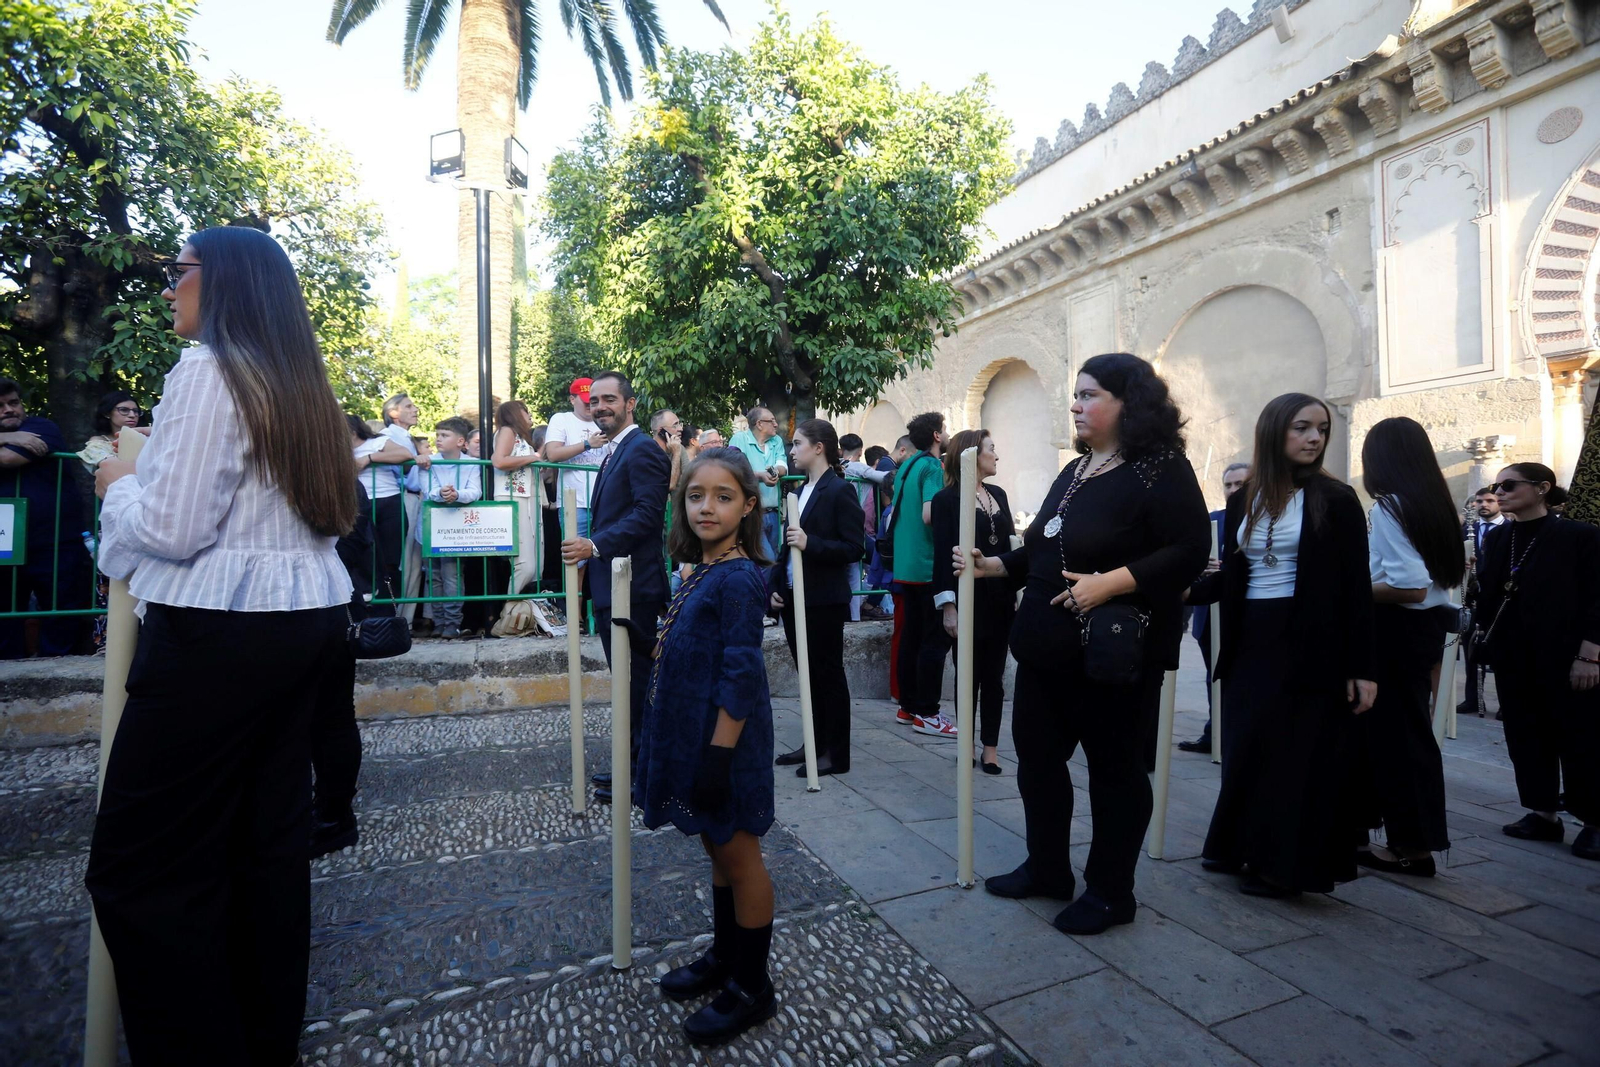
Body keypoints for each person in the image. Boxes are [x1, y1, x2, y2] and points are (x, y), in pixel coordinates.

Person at [83, 226, 354, 1063]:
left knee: (142, 870)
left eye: (180, 271)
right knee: (262, 857)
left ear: (224, 280)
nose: (169, 288)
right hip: (301, 626)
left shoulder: (209, 368)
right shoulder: (298, 380)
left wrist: (118, 488)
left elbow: (170, 524)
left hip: (217, 633)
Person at [956, 354, 1207, 934]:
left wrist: (1110, 584)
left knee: (1115, 772)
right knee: (1038, 765)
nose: (1076, 404)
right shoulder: (1076, 472)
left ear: (1130, 403)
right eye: (1076, 394)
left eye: (1090, 394)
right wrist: (993, 565)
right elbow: (1045, 549)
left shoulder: (1159, 467)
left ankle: (1111, 892)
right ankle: (1048, 869)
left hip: (1111, 658)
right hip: (1046, 654)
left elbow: (1190, 548)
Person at [1200, 392, 1376, 898]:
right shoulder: (1242, 499)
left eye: (1321, 429)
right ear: (1275, 431)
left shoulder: (1337, 500)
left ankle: (1284, 867)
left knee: (1294, 757)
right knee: (1245, 747)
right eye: (1302, 427)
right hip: (1249, 639)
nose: (1315, 437)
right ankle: (1240, 846)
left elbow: (1355, 590)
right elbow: (1235, 575)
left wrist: (1363, 668)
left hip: (1310, 644)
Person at [636, 448, 776, 1042]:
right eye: (697, 496)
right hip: (699, 737)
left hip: (727, 742)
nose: (707, 507)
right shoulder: (706, 570)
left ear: (747, 507)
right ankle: (725, 956)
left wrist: (719, 756)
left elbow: (741, 673)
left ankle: (753, 987)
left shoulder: (740, 576)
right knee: (717, 849)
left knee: (741, 857)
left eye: (723, 497)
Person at [1350, 417, 1464, 876]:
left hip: (1397, 629)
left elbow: (1410, 586)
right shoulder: (1433, 503)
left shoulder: (1389, 507)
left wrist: (1347, 587)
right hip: (1420, 632)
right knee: (1405, 735)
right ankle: (1404, 838)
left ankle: (1411, 846)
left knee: (1397, 738)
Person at [1475, 462, 1599, 861]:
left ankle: (1594, 819)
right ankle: (1542, 813)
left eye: (1509, 485)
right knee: (1525, 735)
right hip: (1515, 656)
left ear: (1542, 488)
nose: (1500, 491)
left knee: (1580, 738)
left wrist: (1589, 656)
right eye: (1498, 485)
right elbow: (1491, 594)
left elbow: (1597, 600)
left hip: (1567, 657)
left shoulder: (1580, 536)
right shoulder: (1500, 538)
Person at [560, 371, 672, 804]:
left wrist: (594, 544)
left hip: (634, 589)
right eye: (594, 401)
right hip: (615, 586)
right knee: (628, 684)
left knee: (638, 684)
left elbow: (648, 515)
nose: (599, 406)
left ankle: (644, 777)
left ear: (630, 403)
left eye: (609, 399)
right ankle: (633, 766)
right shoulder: (613, 451)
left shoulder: (642, 448)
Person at [771, 419, 864, 777]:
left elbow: (854, 548)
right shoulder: (798, 492)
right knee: (807, 675)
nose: (792, 450)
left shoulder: (839, 490)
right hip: (796, 598)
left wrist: (813, 544)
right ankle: (814, 742)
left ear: (819, 448)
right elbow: (786, 548)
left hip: (823, 600)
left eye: (797, 444)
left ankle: (835, 753)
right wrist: (778, 587)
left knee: (828, 675)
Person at [931, 429, 1014, 774]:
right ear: (972, 454)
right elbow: (941, 557)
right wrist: (948, 607)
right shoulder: (946, 500)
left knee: (994, 677)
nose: (996, 455)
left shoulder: (999, 494)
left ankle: (991, 749)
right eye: (991, 449)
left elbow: (1009, 546)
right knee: (967, 675)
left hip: (999, 599)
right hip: (967, 599)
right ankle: (966, 743)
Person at [0, 378, 94, 659]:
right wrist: (5, 437)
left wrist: (9, 442)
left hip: (55, 542)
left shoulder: (42, 428)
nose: (8, 410)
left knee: (60, 611)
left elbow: (7, 459)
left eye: (13, 402)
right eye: (0, 406)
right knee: (5, 614)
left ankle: (57, 671)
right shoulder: (13, 435)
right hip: (6, 543)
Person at [1178, 461, 1251, 753]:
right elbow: (1187, 561)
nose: (1234, 490)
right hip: (1209, 613)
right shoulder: (1211, 522)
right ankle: (1214, 732)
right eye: (1229, 485)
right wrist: (1200, 567)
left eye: (1240, 485)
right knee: (1214, 676)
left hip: (1246, 612)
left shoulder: (1264, 520)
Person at [890, 412, 954, 736]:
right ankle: (928, 713)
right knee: (934, 641)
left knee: (911, 639)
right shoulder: (931, 467)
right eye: (944, 429)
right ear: (936, 435)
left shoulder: (905, 467)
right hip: (927, 566)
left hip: (905, 566)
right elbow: (930, 514)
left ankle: (907, 707)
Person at [409, 416, 483, 640]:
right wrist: (441, 494)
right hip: (431, 528)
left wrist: (457, 495)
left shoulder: (471, 463)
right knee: (434, 576)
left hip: (456, 531)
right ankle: (439, 622)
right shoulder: (428, 461)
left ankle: (453, 623)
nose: (438, 439)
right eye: (437, 435)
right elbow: (427, 488)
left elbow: (475, 491)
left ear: (461, 441)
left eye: (444, 435)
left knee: (452, 576)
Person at [375, 393, 431, 626]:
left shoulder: (405, 437)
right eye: (409, 406)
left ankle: (404, 621)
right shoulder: (386, 436)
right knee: (405, 561)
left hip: (414, 499)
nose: (415, 409)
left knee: (414, 562)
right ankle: (397, 620)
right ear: (393, 413)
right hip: (402, 499)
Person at [543, 377, 609, 574]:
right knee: (576, 567)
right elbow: (553, 454)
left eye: (594, 400)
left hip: (603, 503)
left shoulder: (606, 421)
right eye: (586, 400)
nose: (591, 405)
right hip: (575, 503)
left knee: (606, 563)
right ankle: (574, 606)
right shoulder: (561, 419)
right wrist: (587, 444)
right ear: (572, 400)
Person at [1459, 486, 1504, 716]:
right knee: (1470, 650)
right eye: (1478, 501)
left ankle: (1506, 704)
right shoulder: (1467, 529)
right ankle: (1473, 700)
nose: (1483, 505)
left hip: (1500, 602)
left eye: (1489, 500)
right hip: (1472, 599)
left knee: (1502, 654)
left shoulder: (1509, 529)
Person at [492, 400, 542, 598]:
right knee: (525, 565)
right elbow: (499, 460)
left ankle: (523, 616)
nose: (529, 415)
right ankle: (509, 612)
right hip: (512, 498)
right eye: (525, 411)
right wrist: (534, 457)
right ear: (514, 413)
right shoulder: (507, 430)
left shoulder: (522, 438)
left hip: (528, 499)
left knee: (536, 565)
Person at [729, 406, 789, 561]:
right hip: (752, 513)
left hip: (774, 512)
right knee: (766, 560)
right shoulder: (739, 439)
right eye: (772, 421)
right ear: (760, 424)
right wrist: (760, 476)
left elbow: (783, 466)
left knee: (774, 558)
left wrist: (773, 472)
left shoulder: (777, 440)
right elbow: (733, 469)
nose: (776, 424)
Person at [839, 433, 886, 622]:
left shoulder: (835, 467)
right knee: (879, 561)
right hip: (856, 528)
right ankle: (864, 603)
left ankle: (855, 612)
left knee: (854, 570)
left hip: (844, 525)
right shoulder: (858, 467)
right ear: (860, 451)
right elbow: (882, 477)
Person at [77, 391, 149, 470]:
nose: (132, 415)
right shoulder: (98, 442)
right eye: (124, 410)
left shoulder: (148, 438)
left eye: (136, 411)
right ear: (107, 413)